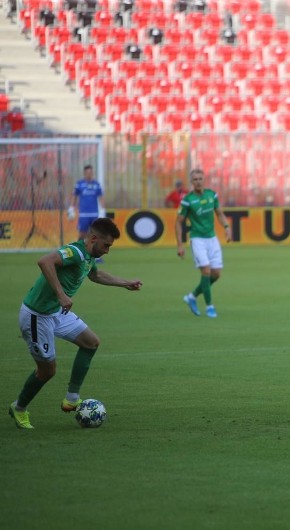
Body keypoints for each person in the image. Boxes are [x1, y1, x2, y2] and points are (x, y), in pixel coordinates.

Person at [8, 217, 142, 430]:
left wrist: (125, 283)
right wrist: (61, 294)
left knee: (91, 343)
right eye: (106, 245)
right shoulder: (75, 252)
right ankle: (19, 408)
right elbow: (45, 261)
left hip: (57, 312)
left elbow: (96, 276)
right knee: (47, 371)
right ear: (93, 238)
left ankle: (72, 398)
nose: (108, 250)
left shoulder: (89, 256)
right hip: (37, 316)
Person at [175, 168, 232, 318]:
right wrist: (180, 245)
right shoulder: (187, 200)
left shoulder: (212, 195)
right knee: (206, 272)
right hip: (197, 239)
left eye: (200, 179)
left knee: (216, 274)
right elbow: (178, 222)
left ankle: (192, 297)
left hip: (212, 239)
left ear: (204, 180)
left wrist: (226, 227)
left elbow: (219, 213)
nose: (198, 182)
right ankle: (209, 307)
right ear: (191, 182)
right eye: (195, 179)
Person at [71, 164, 105, 240]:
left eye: (91, 173)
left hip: (94, 213)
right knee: (82, 234)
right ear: (85, 173)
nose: (89, 174)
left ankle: (93, 251)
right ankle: (79, 249)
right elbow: (74, 195)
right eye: (88, 173)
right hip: (83, 214)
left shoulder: (97, 184)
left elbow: (101, 197)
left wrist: (102, 210)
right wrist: (71, 208)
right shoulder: (79, 184)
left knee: (96, 234)